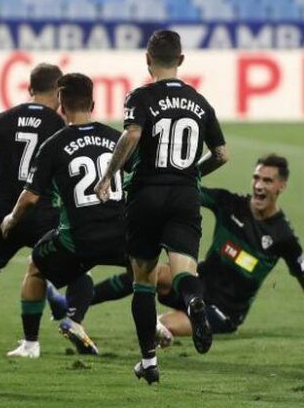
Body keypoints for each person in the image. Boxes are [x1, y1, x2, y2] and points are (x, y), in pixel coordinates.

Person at [54, 154, 304, 343]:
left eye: (268, 181)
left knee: (157, 326)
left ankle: (161, 335)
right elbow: (186, 191)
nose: (259, 186)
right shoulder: (229, 203)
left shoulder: (283, 235)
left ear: (281, 187)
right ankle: (74, 307)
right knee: (146, 271)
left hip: (222, 311)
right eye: (257, 178)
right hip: (197, 285)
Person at [94, 29, 229, 384]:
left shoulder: (140, 96)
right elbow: (222, 154)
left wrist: (108, 174)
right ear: (181, 60)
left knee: (143, 281)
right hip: (185, 196)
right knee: (185, 272)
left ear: (147, 59)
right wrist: (193, 174)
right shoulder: (200, 101)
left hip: (146, 194)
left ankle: (149, 362)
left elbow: (133, 134)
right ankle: (194, 304)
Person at [2, 73, 128, 358]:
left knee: (36, 264)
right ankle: (152, 330)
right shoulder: (117, 139)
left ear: (60, 103)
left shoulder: (54, 144)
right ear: (93, 103)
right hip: (121, 236)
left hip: (79, 239)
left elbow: (31, 196)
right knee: (144, 273)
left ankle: (30, 345)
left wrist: (11, 218)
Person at [0, 63, 65, 351]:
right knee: (50, 266)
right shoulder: (60, 125)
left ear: (30, 89)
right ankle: (64, 314)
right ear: (59, 92)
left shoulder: (3, 119)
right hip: (43, 210)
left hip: (4, 211)